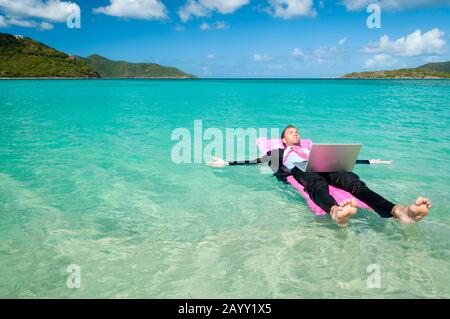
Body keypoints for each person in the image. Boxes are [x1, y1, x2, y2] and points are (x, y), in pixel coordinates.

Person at [207, 125, 431, 225]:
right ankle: (336, 212)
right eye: (291, 132)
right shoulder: (279, 151)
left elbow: (343, 158)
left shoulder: (309, 148)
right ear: (284, 139)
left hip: (325, 164)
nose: (296, 134)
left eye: (298, 132)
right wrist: (226, 162)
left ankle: (399, 211)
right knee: (315, 185)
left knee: (354, 182)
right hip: (303, 170)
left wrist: (373, 160)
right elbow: (259, 161)